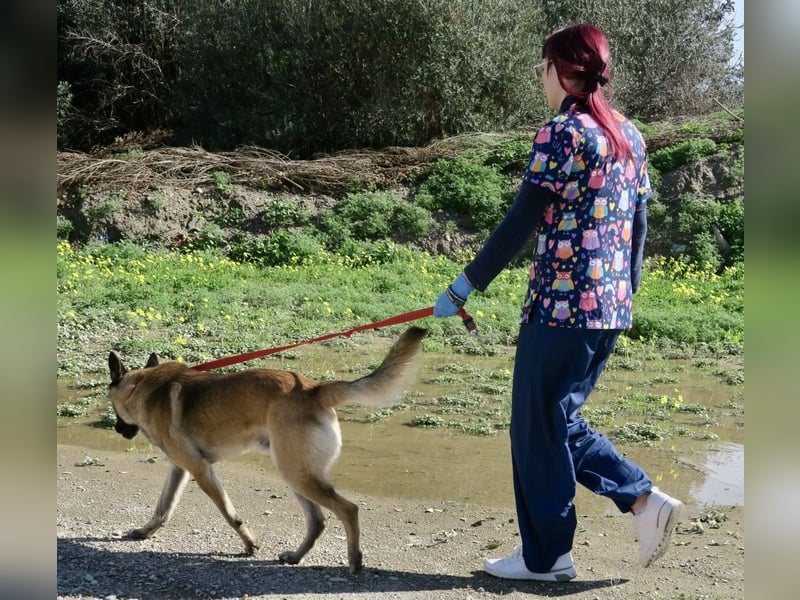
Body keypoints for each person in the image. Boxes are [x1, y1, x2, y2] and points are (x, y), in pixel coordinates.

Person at [434, 23, 682, 582]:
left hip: (562, 307)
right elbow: (639, 224)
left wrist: (463, 286)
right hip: (610, 307)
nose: (541, 79)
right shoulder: (629, 135)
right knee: (555, 419)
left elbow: (521, 219)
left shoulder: (562, 133)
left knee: (536, 425)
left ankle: (553, 554)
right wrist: (625, 289)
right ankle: (624, 513)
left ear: (559, 69)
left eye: (543, 67)